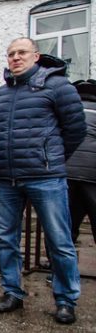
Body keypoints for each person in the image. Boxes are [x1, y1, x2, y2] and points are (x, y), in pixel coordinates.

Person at [0, 37, 85, 324]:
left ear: (36, 56)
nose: (15, 58)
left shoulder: (58, 88)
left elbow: (75, 129)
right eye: (11, 54)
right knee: (5, 239)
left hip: (46, 178)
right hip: (6, 178)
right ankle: (12, 292)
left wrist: (50, 157)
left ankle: (66, 299)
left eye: (21, 53)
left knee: (59, 240)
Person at [66, 79, 96, 244]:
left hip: (67, 173)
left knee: (66, 223)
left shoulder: (68, 111)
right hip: (93, 177)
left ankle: (59, 266)